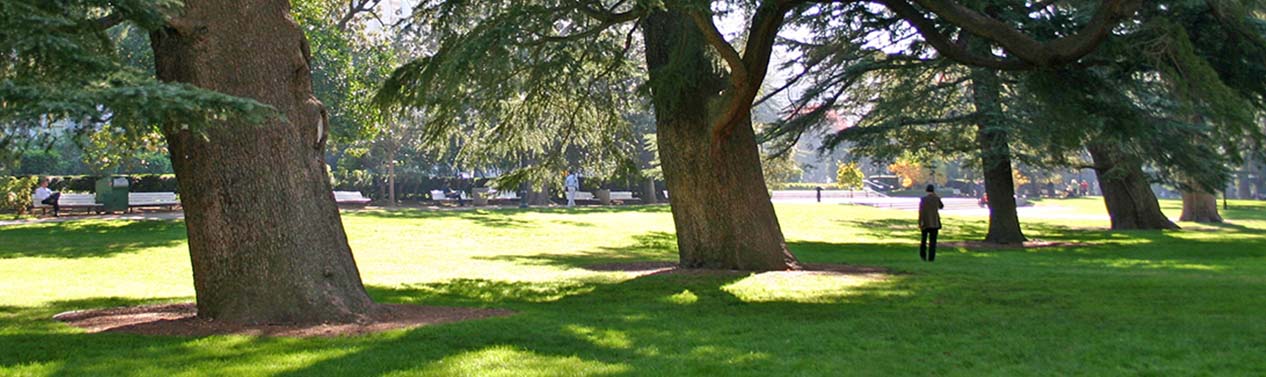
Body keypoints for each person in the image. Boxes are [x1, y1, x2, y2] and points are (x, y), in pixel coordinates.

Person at [918, 184, 944, 262]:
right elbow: (941, 206)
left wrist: (920, 222)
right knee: (933, 242)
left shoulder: (923, 199)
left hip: (925, 222)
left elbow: (921, 212)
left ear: (926, 190)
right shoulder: (936, 199)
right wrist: (936, 196)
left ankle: (923, 256)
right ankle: (931, 257)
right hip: (934, 222)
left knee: (923, 240)